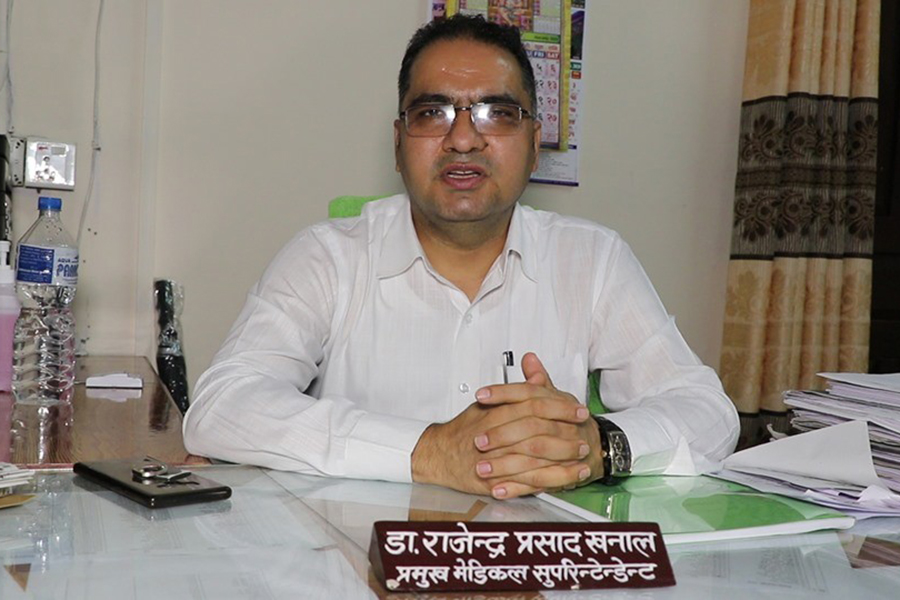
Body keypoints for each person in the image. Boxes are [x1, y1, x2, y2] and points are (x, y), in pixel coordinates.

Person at [183, 15, 738, 500]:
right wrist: (428, 452)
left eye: (498, 112)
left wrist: (600, 445)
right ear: (398, 143)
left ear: (534, 143)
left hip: (533, 564)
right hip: (361, 561)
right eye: (433, 112)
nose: (464, 139)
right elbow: (222, 405)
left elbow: (707, 412)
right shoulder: (326, 257)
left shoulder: (592, 259)